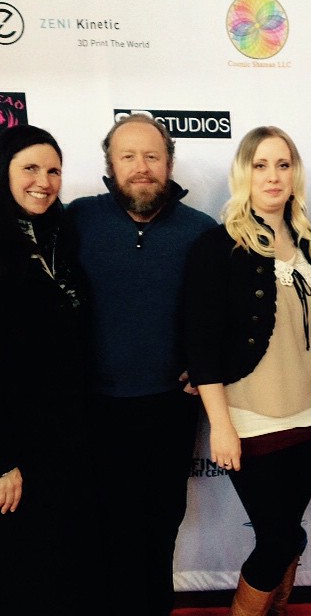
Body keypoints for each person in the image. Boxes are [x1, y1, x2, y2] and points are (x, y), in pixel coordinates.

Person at [62, 113, 216, 616]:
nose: (141, 167)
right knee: (102, 530)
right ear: (110, 165)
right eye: (128, 156)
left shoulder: (202, 231)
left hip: (168, 410)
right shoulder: (76, 221)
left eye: (152, 156)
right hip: (94, 410)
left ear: (169, 163)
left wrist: (206, 359)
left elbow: (230, 311)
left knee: (161, 524)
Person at [183, 126, 311, 615]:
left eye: (282, 165)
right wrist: (221, 426)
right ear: (244, 172)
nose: (272, 175)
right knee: (277, 537)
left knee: (287, 535)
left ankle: (278, 608)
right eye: (261, 165)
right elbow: (200, 343)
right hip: (251, 420)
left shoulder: (308, 240)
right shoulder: (217, 247)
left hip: (309, 417)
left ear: (295, 174)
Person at [0, 125, 104, 615]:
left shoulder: (62, 234)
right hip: (16, 447)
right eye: (30, 168)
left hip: (68, 436)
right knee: (22, 568)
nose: (44, 181)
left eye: (54, 170)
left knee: (68, 561)